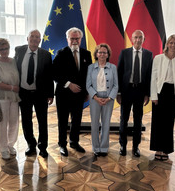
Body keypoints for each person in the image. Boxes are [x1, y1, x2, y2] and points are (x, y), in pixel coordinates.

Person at [53, 27, 92, 156]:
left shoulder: (86, 54)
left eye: (77, 38)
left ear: (81, 39)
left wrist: (86, 92)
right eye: (72, 38)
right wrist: (69, 84)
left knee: (77, 120)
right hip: (63, 94)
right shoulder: (61, 53)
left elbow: (88, 75)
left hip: (79, 95)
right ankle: (62, 144)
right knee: (63, 121)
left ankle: (74, 142)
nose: (75, 41)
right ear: (67, 39)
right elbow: (55, 74)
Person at [15, 30, 54, 158]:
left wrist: (50, 94)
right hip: (24, 93)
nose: (34, 39)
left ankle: (43, 147)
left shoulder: (46, 55)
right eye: (32, 36)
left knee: (42, 121)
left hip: (40, 94)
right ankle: (31, 145)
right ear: (27, 38)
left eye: (37, 37)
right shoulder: (19, 51)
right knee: (26, 121)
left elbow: (49, 76)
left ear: (40, 40)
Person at [117, 30, 153, 157]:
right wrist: (119, 92)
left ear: (144, 39)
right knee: (124, 119)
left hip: (140, 91)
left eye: (140, 38)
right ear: (132, 39)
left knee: (138, 120)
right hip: (126, 91)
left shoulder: (149, 54)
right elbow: (119, 73)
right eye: (136, 37)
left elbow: (149, 75)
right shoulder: (124, 53)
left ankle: (135, 146)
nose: (138, 40)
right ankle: (123, 145)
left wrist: (147, 93)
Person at [150, 34, 175, 161]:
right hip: (160, 92)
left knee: (169, 122)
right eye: (171, 42)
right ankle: (158, 148)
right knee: (158, 122)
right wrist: (153, 95)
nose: (173, 45)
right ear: (167, 44)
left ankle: (166, 150)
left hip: (173, 93)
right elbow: (153, 79)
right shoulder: (158, 58)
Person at [0, 38, 21, 160]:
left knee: (14, 122)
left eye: (6, 48)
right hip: (2, 97)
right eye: (1, 49)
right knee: (3, 123)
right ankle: (2, 148)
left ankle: (10, 144)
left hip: (14, 97)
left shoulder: (13, 61)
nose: (4, 51)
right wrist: (13, 88)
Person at [86, 44, 118, 156]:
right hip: (95, 99)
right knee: (94, 124)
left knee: (106, 124)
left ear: (108, 54)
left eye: (104, 52)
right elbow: (88, 85)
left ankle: (104, 148)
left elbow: (116, 85)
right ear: (96, 54)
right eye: (100, 52)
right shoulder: (90, 67)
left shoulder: (113, 67)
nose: (102, 54)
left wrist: (109, 98)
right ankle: (96, 147)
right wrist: (95, 97)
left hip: (109, 99)